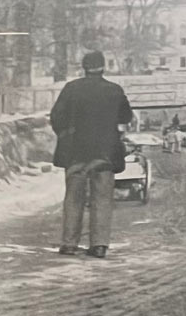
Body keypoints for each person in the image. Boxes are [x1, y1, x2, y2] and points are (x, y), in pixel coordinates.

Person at [50, 50, 132, 259]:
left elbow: (56, 117)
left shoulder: (71, 89)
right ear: (103, 66)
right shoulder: (114, 90)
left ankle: (69, 244)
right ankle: (99, 245)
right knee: (102, 199)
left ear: (84, 67)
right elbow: (125, 116)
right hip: (104, 153)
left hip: (76, 152)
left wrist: (66, 135)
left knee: (73, 198)